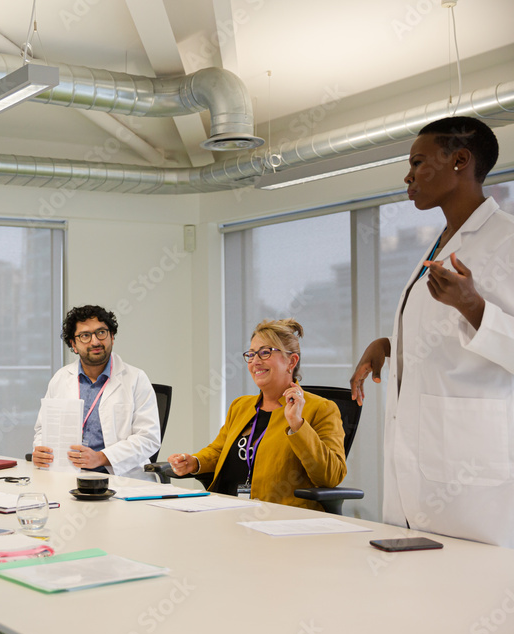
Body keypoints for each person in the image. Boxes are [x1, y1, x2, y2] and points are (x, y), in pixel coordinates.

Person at [351, 116, 514, 548]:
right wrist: (390, 345)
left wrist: (473, 306)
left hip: (472, 482)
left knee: (471, 597)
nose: (408, 176)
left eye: (419, 162)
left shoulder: (509, 240)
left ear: (460, 160)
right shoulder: (441, 241)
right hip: (421, 466)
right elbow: (444, 336)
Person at [168, 319, 346, 509]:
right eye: (251, 354)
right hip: (224, 510)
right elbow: (218, 451)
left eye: (265, 353)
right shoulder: (241, 406)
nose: (255, 361)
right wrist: (194, 462)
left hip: (276, 517)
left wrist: (298, 425)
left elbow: (331, 476)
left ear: (291, 361)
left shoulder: (321, 409)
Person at [31, 305, 160, 479]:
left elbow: (148, 438)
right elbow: (42, 429)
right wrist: (40, 450)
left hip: (120, 478)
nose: (95, 342)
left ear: (112, 337)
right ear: (73, 345)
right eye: (85, 336)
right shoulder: (61, 378)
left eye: (101, 333)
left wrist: (101, 457)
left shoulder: (136, 379)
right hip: (68, 475)